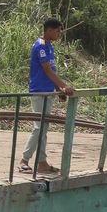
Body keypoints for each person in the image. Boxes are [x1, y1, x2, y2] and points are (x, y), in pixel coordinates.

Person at [20, 18, 74, 175]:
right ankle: (24, 160)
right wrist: (64, 86)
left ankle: (42, 163)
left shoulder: (49, 47)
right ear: (49, 30)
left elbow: (52, 71)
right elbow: (47, 70)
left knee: (43, 128)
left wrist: (58, 89)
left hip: (48, 91)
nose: (58, 34)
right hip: (39, 92)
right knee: (39, 127)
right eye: (57, 31)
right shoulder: (41, 46)